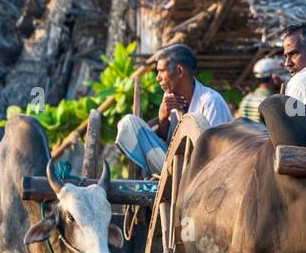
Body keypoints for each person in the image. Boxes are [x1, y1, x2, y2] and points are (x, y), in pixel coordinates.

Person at [115, 43, 233, 176]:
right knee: (129, 122)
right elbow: (166, 144)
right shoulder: (169, 97)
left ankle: (168, 177)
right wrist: (163, 119)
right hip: (173, 169)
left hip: (201, 174)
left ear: (179, 71)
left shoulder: (210, 101)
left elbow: (215, 151)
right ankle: (165, 177)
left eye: (161, 71)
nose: (157, 77)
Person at [237, 56, 286, 124]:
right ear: (274, 77)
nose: (282, 78)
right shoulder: (271, 102)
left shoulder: (246, 99)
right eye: (280, 74)